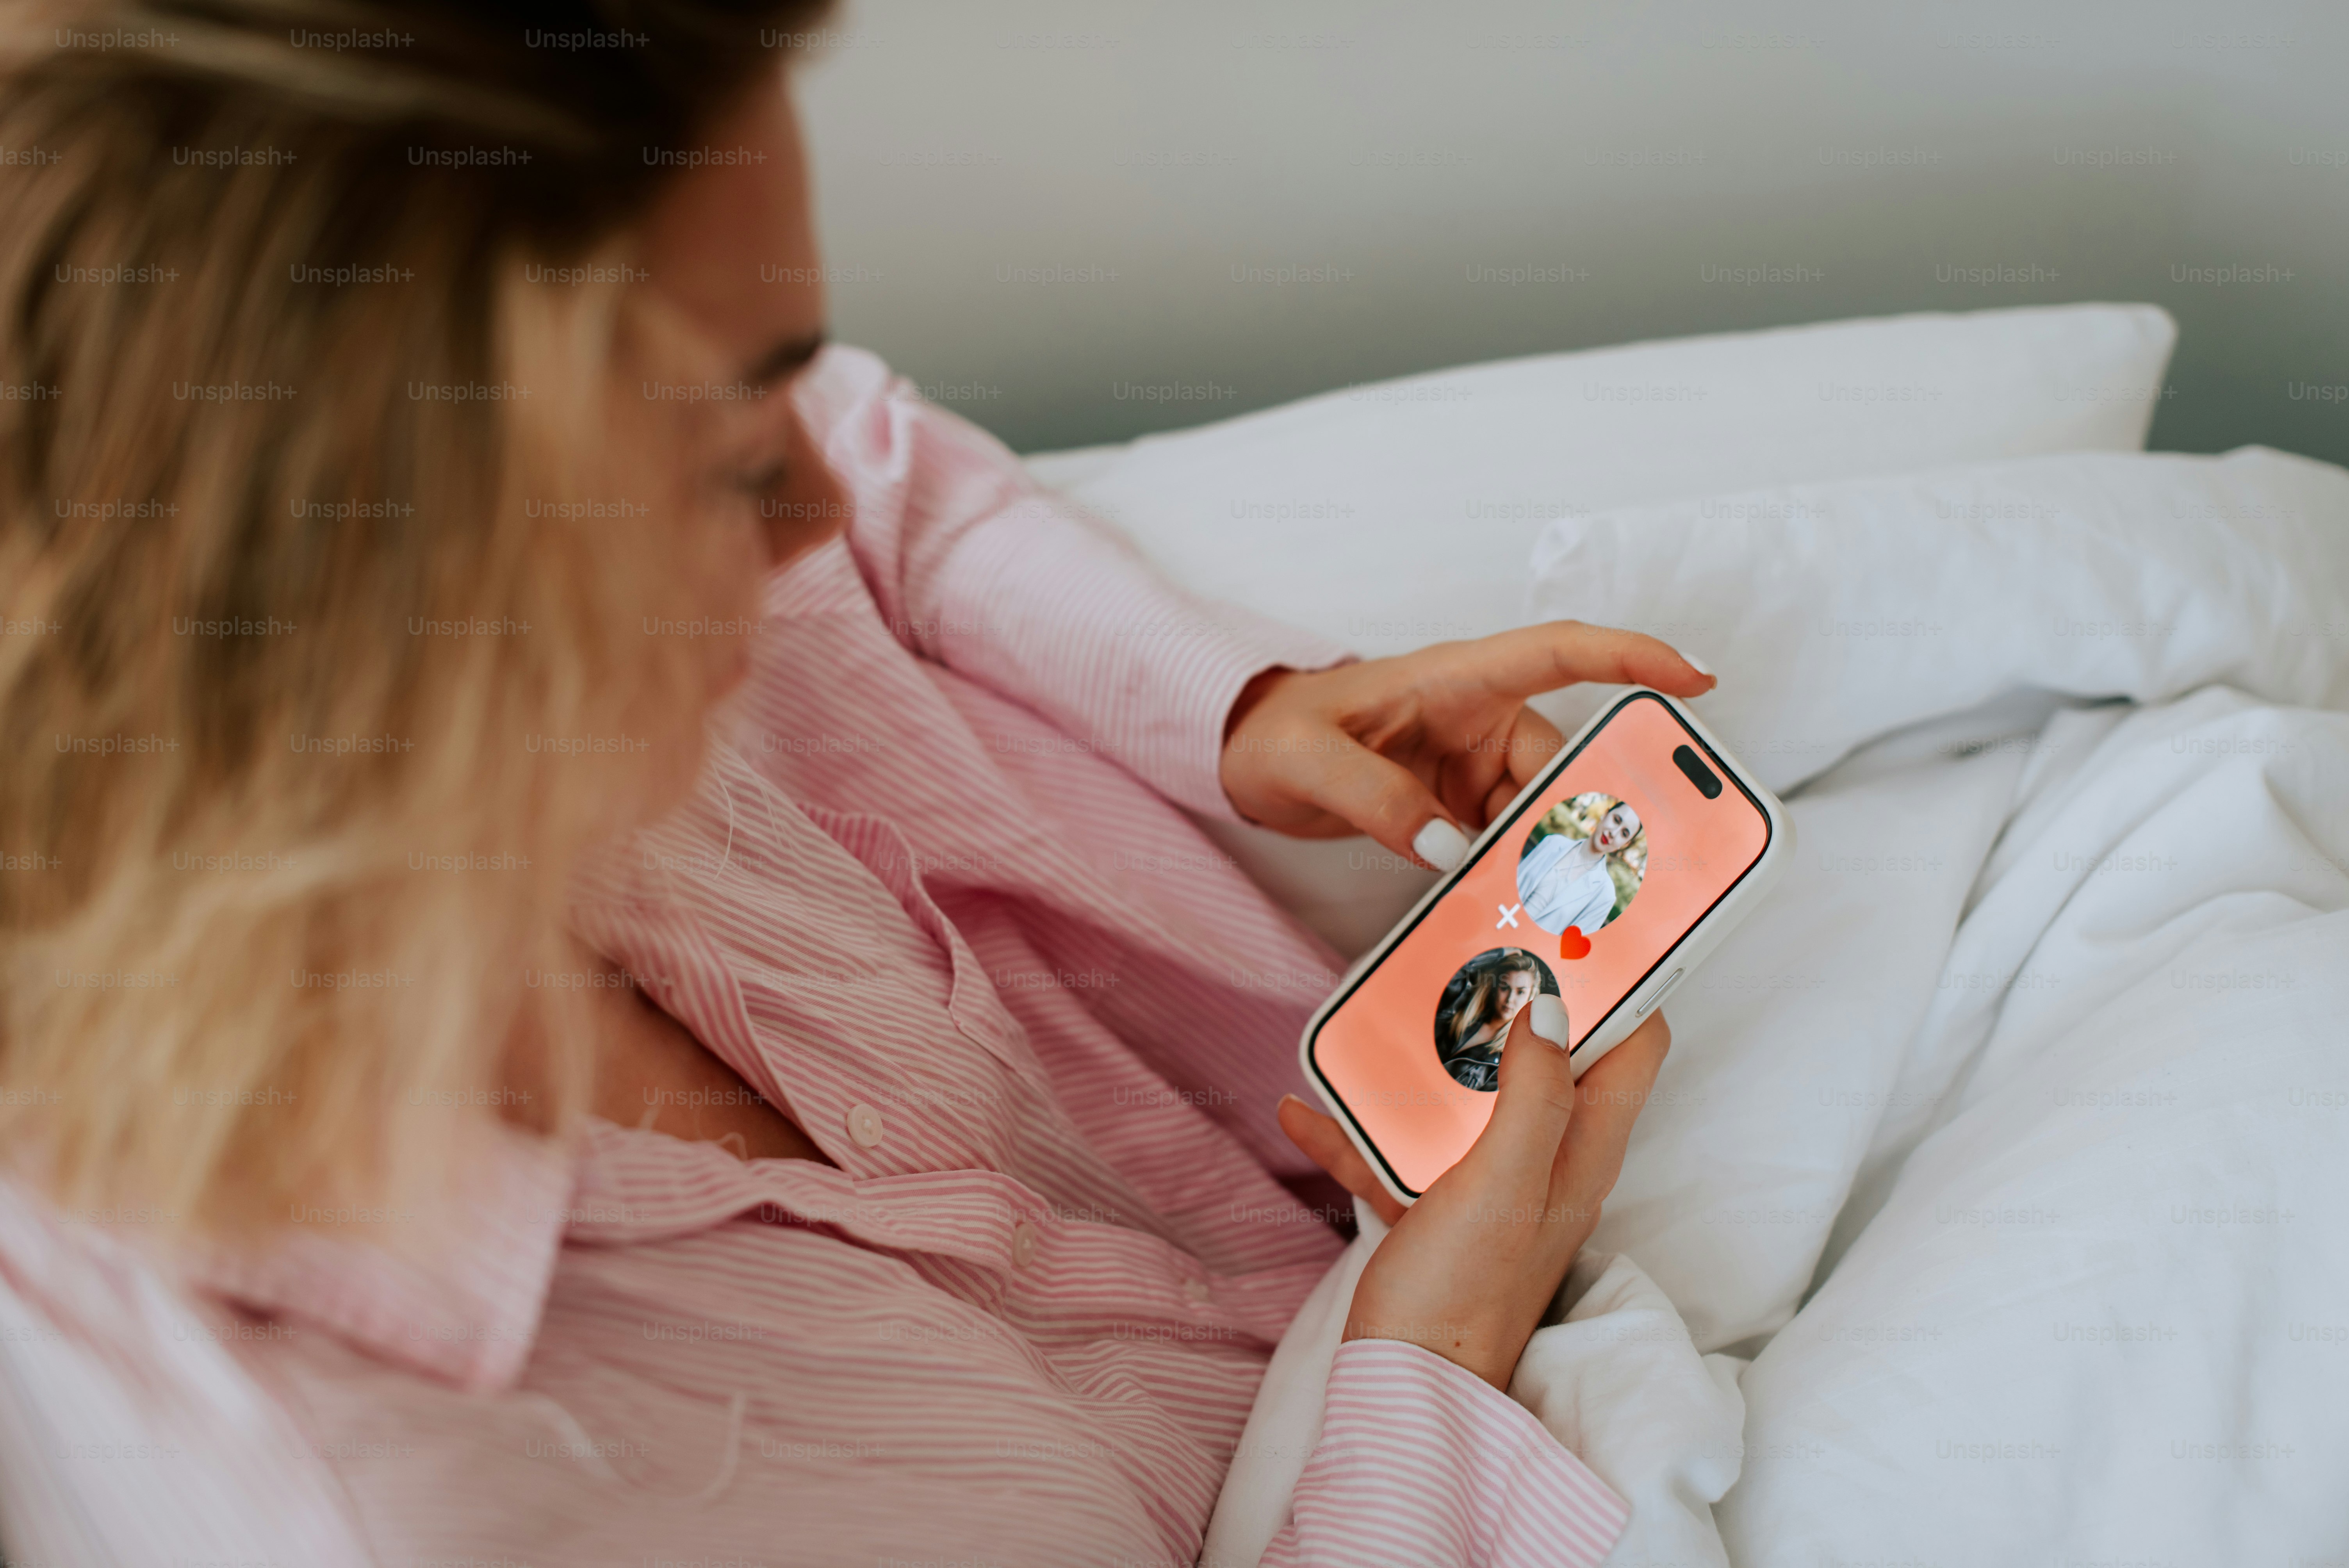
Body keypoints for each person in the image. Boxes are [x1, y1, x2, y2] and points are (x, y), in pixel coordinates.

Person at [0, 4, 1713, 1563]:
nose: (812, 517)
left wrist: (1242, 700)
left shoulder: (480, 650)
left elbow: (875, 464)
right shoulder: (397, 1490)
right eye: (735, 454)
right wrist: (1427, 1367)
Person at [1519, 799, 1644, 936]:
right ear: (1606, 814)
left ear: (1625, 844)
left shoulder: (1605, 894)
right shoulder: (1553, 843)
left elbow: (1570, 946)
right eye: (1616, 820)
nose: (1613, 833)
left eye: (1624, 834)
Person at [1437, 948, 1551, 1091]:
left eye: (1520, 992)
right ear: (1495, 987)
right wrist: (1501, 954)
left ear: (1530, 998)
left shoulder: (1508, 1062)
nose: (1510, 999)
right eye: (1505, 988)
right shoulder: (1462, 1010)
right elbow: (1456, 969)